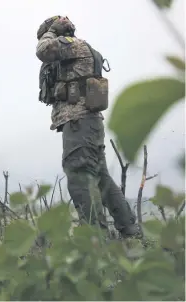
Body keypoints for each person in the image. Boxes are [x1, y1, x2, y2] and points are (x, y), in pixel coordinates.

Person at [35, 16, 142, 239]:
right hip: (87, 123)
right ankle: (130, 231)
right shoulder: (80, 47)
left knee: (79, 176)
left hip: (79, 121)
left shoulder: (69, 44)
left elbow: (43, 50)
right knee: (100, 177)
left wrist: (51, 31)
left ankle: (96, 240)